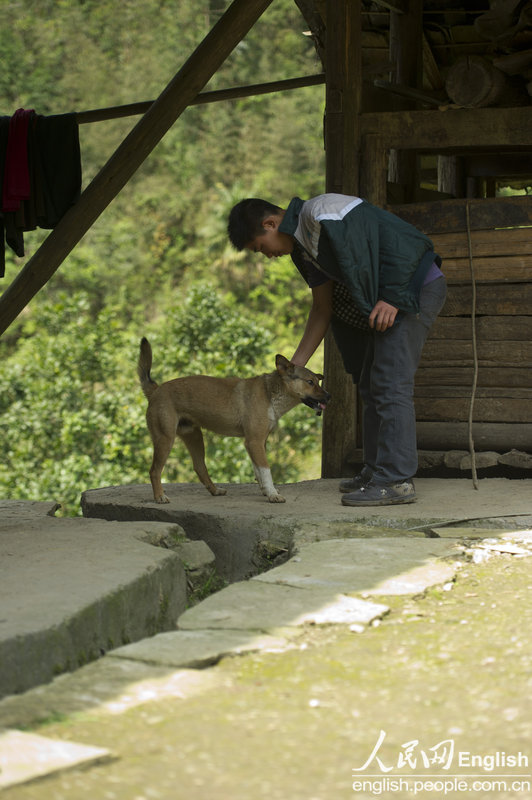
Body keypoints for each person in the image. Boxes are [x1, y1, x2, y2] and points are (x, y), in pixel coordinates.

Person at [227, 193, 446, 506]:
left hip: (414, 289)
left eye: (261, 247)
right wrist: (291, 372)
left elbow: (410, 243)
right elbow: (322, 309)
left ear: (271, 224)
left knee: (390, 383)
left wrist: (394, 297)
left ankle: (396, 481)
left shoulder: (323, 213)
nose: (267, 255)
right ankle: (376, 471)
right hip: (391, 299)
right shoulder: (302, 251)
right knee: (371, 383)